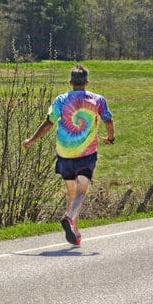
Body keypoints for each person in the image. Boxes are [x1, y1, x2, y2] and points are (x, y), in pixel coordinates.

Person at [23, 64, 115, 246]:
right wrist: (111, 138)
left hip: (64, 153)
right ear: (87, 82)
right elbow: (108, 119)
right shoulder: (97, 100)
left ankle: (75, 233)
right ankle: (69, 218)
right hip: (86, 154)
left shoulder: (61, 100)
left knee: (71, 193)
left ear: (70, 82)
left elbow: (48, 122)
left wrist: (32, 140)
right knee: (82, 191)